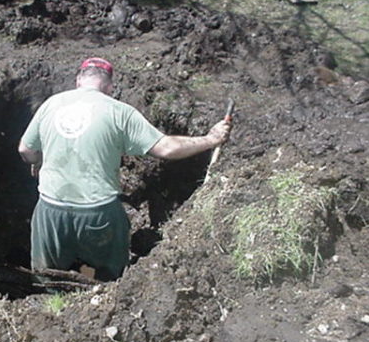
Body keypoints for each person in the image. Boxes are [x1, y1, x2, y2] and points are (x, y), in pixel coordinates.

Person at [18, 57, 232, 281]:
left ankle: (52, 306)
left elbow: (25, 150)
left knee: (48, 276)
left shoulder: (52, 104)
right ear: (109, 87)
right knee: (107, 279)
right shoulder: (120, 112)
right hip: (97, 213)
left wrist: (39, 161)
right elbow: (166, 148)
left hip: (51, 209)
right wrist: (210, 139)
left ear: (78, 81)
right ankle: (96, 302)